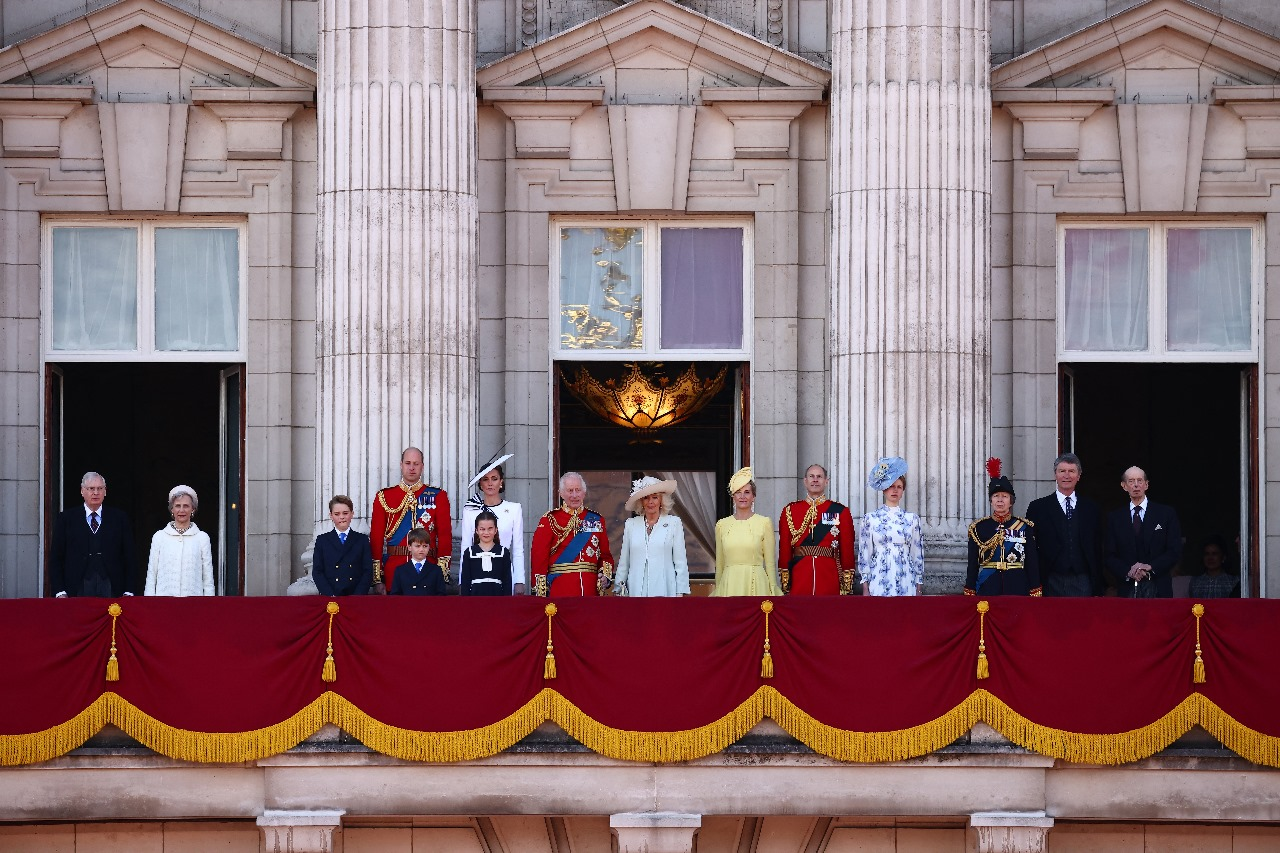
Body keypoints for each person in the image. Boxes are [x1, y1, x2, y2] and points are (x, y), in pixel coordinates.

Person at [370, 447, 452, 592]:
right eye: (408, 463)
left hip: (428, 571)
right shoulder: (384, 496)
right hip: (394, 571)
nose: (412, 468)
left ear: (422, 466)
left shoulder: (438, 496)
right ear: (401, 465)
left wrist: (442, 574)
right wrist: (377, 578)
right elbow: (376, 539)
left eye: (416, 463)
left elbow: (445, 536)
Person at [1023, 453, 1104, 597]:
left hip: (1083, 579)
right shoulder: (1038, 507)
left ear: (1078, 476)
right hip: (1049, 578)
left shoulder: (1091, 508)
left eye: (1071, 471)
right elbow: (1030, 547)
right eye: (1062, 471)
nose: (1067, 475)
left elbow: (1098, 546)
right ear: (1055, 474)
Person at [50, 472, 138, 598]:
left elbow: (130, 557)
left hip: (112, 587)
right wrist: (60, 591)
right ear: (82, 491)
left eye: (100, 488)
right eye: (91, 488)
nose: (96, 492)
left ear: (105, 491)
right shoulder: (66, 519)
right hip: (76, 587)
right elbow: (56, 558)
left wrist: (129, 590)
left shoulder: (119, 518)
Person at [965, 459, 1042, 596]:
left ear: (1011, 502)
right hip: (988, 584)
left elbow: (1032, 561)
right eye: (996, 496)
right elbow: (973, 564)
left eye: (1004, 496)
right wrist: (970, 588)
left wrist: (1035, 588)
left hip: (1017, 584)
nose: (1000, 500)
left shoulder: (1024, 527)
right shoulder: (978, 528)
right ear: (991, 501)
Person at [530, 472, 614, 597]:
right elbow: (539, 558)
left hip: (590, 591)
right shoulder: (550, 520)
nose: (574, 495)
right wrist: (541, 593)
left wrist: (605, 577)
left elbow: (605, 556)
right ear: (561, 493)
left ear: (584, 493)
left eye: (578, 490)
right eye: (570, 490)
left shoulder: (596, 520)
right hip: (560, 590)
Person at [1104, 466, 1182, 599]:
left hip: (1159, 587)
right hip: (1127, 589)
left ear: (1146, 485)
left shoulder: (1165, 514)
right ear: (1124, 486)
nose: (1136, 485)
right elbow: (1109, 556)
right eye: (1131, 481)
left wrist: (1150, 567)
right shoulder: (1115, 518)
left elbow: (1174, 550)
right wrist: (1128, 571)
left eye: (1140, 481)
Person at [778, 464, 856, 595]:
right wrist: (786, 578)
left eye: (819, 477)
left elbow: (847, 548)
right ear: (805, 481)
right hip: (800, 576)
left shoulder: (840, 511)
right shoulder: (790, 510)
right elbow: (785, 547)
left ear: (826, 481)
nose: (815, 480)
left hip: (829, 576)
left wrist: (847, 580)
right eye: (811, 476)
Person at [857, 457, 924, 596]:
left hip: (906, 577)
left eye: (899, 487)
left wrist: (918, 584)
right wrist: (865, 585)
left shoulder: (912, 519)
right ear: (884, 489)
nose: (895, 490)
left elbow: (917, 553)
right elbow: (865, 553)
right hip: (879, 577)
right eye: (891, 486)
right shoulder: (870, 518)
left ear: (903, 491)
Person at [614, 476, 690, 597]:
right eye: (646, 498)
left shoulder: (673, 523)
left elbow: (680, 562)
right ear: (641, 502)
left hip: (664, 590)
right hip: (636, 591)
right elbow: (624, 561)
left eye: (655, 497)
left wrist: (680, 592)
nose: (650, 502)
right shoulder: (631, 524)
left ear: (661, 500)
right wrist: (618, 588)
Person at [461, 454, 525, 594]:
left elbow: (518, 549)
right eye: (485, 479)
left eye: (494, 479)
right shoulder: (470, 509)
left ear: (501, 482)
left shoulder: (514, 509)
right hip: (476, 576)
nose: (490, 483)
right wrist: (462, 581)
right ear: (480, 484)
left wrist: (519, 580)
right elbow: (466, 545)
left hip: (504, 572)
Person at [712, 467, 782, 597]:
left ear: (753, 496)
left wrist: (773, 588)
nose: (742, 496)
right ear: (733, 497)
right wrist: (718, 588)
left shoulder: (764, 522)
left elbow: (770, 562)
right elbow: (720, 563)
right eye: (738, 492)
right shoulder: (722, 525)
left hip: (756, 583)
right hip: (730, 583)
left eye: (747, 492)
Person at [144, 485, 215, 596]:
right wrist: (149, 604)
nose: (181, 510)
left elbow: (208, 579)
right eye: (177, 506)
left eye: (186, 506)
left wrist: (209, 605)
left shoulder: (202, 538)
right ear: (172, 509)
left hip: (194, 603)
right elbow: (152, 575)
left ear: (193, 509)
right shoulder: (159, 537)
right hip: (164, 603)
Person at [312, 495, 374, 596]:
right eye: (337, 514)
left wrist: (358, 594)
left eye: (345, 513)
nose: (341, 517)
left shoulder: (362, 539)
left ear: (352, 514)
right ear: (331, 516)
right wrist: (329, 594)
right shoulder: (322, 540)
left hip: (355, 596)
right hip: (331, 596)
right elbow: (317, 571)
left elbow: (367, 570)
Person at [459, 509, 514, 597]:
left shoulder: (503, 552)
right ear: (476, 530)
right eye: (482, 529)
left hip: (497, 598)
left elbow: (507, 581)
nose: (486, 532)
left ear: (496, 530)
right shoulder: (469, 552)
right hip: (475, 599)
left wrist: (506, 603)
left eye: (490, 529)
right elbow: (465, 581)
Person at [388, 527, 449, 595]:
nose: (421, 549)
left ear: (429, 547)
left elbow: (441, 596)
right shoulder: (400, 571)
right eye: (417, 546)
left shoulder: (436, 570)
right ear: (409, 547)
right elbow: (395, 597)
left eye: (425, 546)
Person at [1188, 534, 1239, 599]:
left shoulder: (1233, 582)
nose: (1210, 558)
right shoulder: (1195, 582)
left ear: (1223, 558)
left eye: (1214, 554)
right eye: (1207, 554)